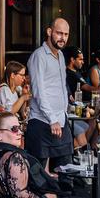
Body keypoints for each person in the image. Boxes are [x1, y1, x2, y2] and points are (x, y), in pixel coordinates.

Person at [25, 18, 74, 171]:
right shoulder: (38, 56)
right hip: (42, 121)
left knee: (66, 170)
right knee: (38, 173)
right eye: (59, 33)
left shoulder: (60, 56)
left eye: (66, 34)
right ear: (49, 32)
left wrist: (64, 111)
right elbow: (39, 91)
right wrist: (52, 119)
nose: (63, 38)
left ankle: (64, 195)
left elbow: (59, 86)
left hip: (61, 119)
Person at [62, 46, 96, 148]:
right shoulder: (69, 74)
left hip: (73, 109)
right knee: (82, 129)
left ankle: (82, 150)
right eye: (80, 59)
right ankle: (83, 152)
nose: (83, 62)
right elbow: (89, 88)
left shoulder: (76, 73)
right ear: (72, 60)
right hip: (66, 113)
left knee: (88, 125)